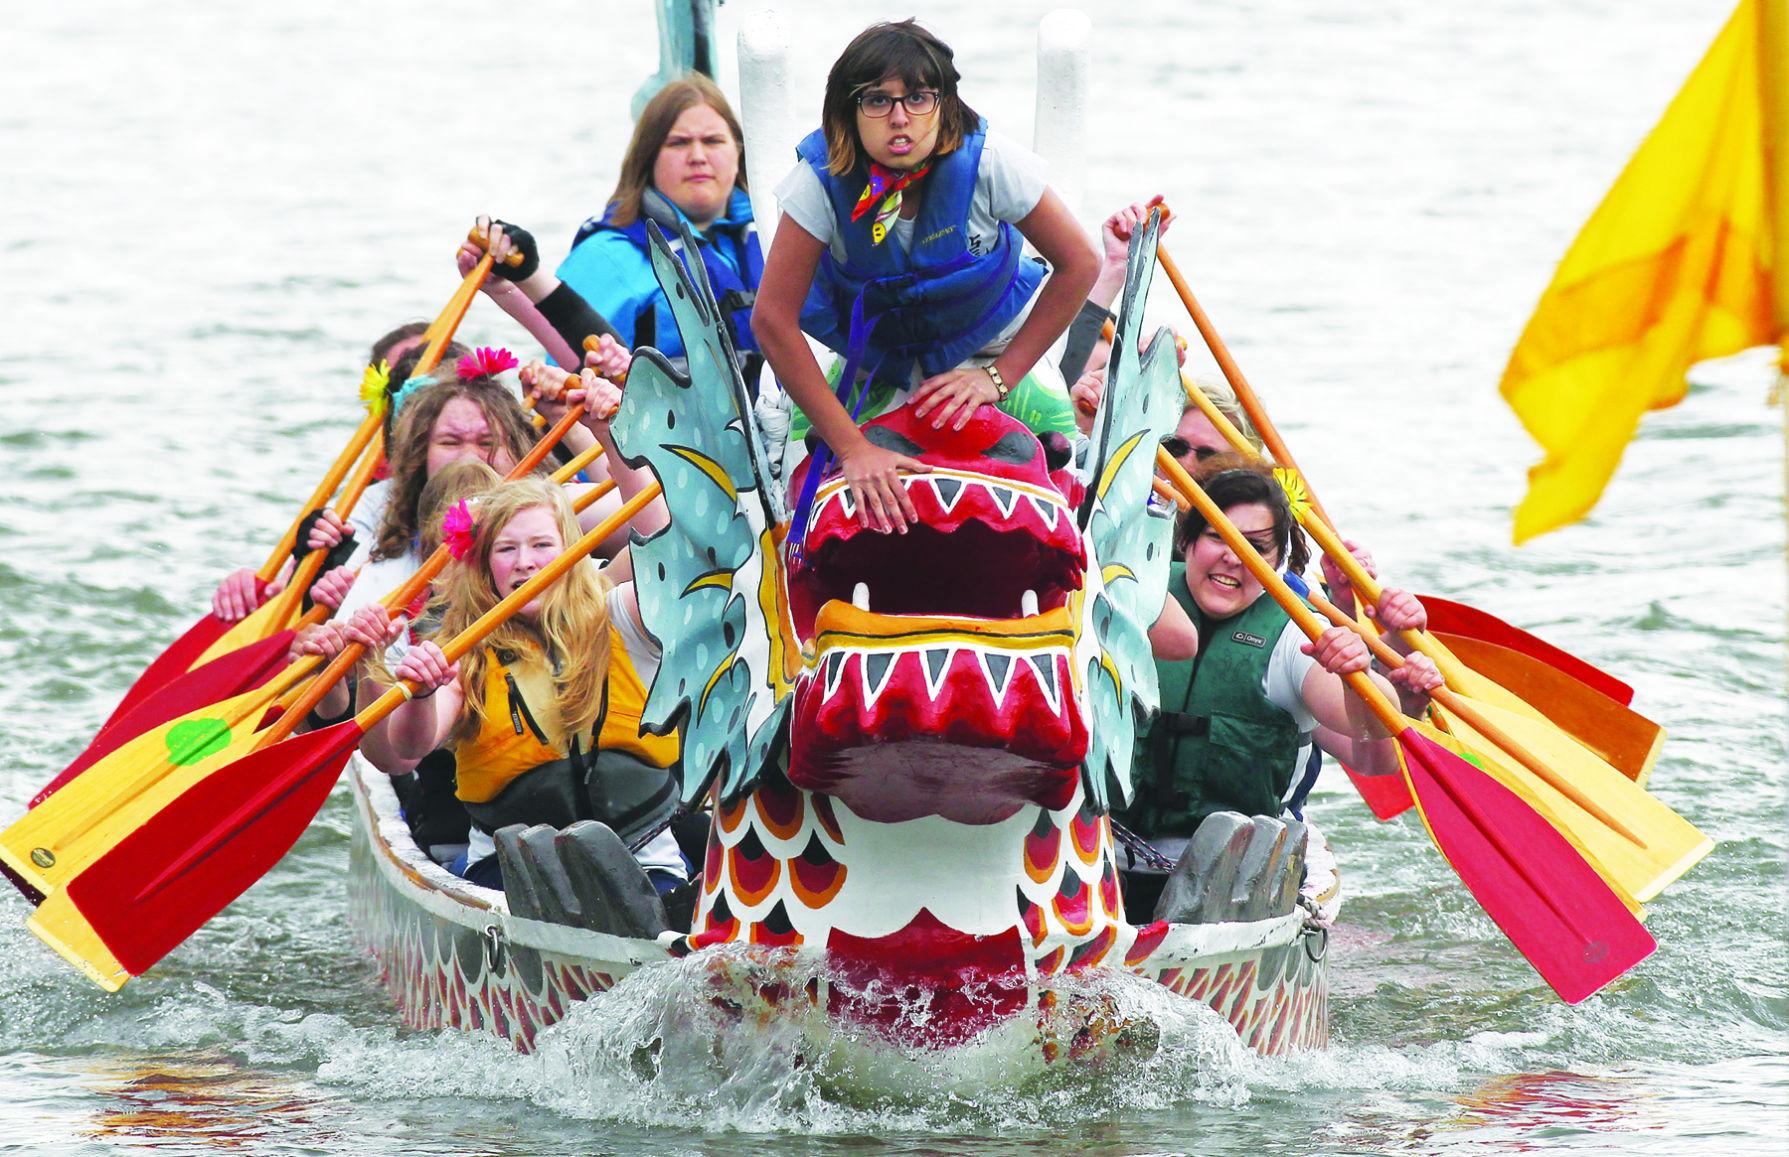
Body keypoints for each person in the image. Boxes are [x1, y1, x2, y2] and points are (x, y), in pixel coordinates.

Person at [750, 19, 1099, 535]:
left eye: (917, 98)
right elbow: (772, 320)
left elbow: (1081, 264)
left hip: (987, 341)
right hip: (869, 351)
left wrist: (998, 378)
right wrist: (853, 449)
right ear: (848, 112)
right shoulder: (816, 184)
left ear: (944, 106)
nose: (899, 118)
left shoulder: (991, 164)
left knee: (1051, 433)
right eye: (877, 100)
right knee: (809, 457)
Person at [1117, 462, 1442, 919]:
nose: (1234, 557)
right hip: (1106, 854)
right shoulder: (1130, 595)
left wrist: (1360, 680)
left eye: (1256, 548)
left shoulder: (1297, 634)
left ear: (1278, 564)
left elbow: (1377, 750)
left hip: (1245, 875)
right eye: (1217, 537)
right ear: (1185, 542)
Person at [364, 474, 687, 895]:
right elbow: (407, 750)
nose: (525, 562)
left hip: (644, 860)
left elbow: (663, 543)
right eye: (506, 549)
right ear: (485, 566)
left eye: (541, 546)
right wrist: (421, 695)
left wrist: (606, 437)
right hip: (511, 872)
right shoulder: (463, 653)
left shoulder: (622, 617)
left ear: (571, 553)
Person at [557, 74, 762, 369]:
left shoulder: (776, 238)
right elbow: (565, 380)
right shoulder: (605, 257)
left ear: (739, 151)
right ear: (648, 157)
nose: (698, 156)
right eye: (678, 143)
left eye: (713, 141)